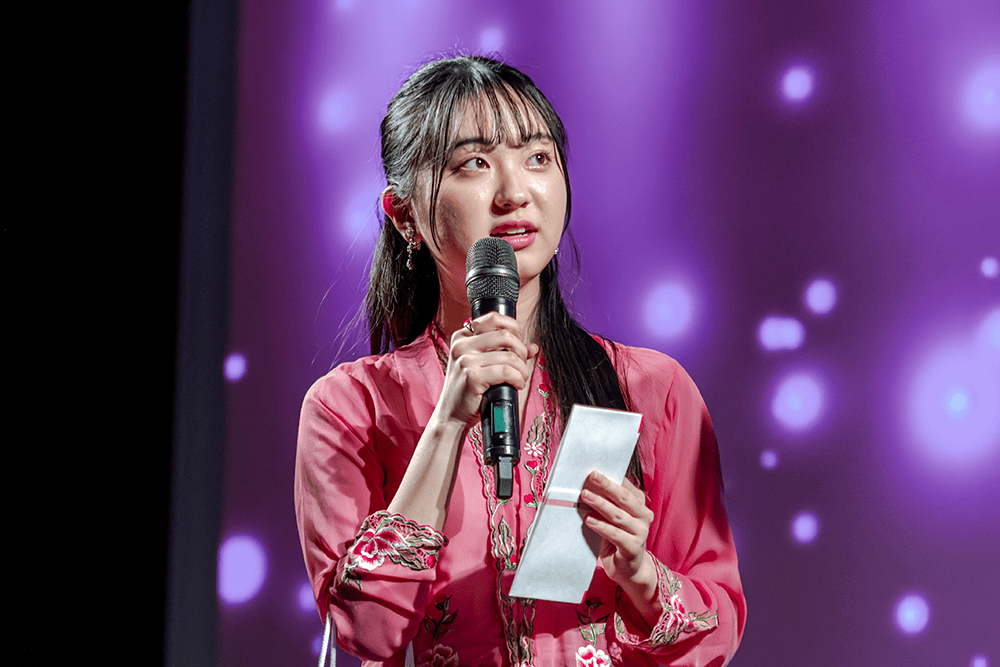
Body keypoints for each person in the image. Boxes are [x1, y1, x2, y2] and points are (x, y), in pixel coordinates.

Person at [295, 55, 746, 667]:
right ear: (404, 214)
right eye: (474, 164)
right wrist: (448, 423)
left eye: (537, 157)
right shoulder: (352, 406)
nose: (515, 193)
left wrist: (641, 573)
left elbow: (718, 626)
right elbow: (366, 629)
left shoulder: (650, 389)